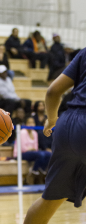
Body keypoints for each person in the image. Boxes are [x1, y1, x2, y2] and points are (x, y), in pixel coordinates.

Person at [24, 48, 86, 224]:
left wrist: (51, 120)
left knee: (50, 200)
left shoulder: (84, 53)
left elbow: (53, 91)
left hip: (67, 125)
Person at [14, 117, 51, 185]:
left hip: (32, 153)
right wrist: (32, 149)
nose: (31, 124)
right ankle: (33, 173)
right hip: (20, 154)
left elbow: (35, 147)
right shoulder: (22, 132)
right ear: (25, 124)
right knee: (41, 155)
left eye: (32, 122)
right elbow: (24, 148)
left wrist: (32, 149)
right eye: (29, 122)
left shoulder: (35, 133)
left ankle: (41, 172)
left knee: (49, 154)